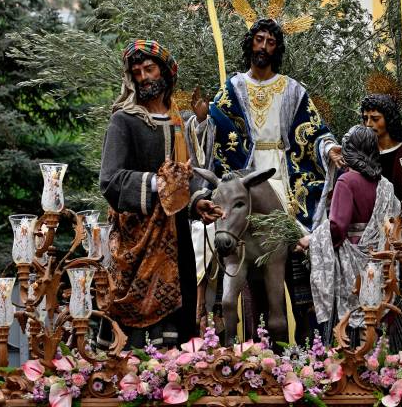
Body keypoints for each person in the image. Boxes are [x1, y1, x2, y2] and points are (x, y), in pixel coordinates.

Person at [190, 18, 343, 339]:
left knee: (297, 249)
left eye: (270, 42)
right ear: (250, 44)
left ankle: (307, 330)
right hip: (247, 174)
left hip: (283, 175)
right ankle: (228, 328)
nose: (263, 47)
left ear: (277, 49)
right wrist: (203, 119)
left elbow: (313, 131)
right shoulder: (233, 87)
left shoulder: (292, 90)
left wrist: (329, 149)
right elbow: (214, 134)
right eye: (259, 40)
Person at [99, 40, 222, 347]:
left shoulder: (178, 121)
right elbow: (110, 181)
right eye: (137, 71)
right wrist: (158, 183)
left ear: (165, 73)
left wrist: (197, 201)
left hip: (176, 239)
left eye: (149, 69)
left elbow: (185, 175)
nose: (143, 77)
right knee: (138, 334)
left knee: (178, 329)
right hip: (138, 240)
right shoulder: (123, 121)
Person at [306, 125, 400, 345]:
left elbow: (337, 227)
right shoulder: (385, 185)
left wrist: (311, 239)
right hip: (380, 259)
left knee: (350, 321)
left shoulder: (346, 181)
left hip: (351, 260)